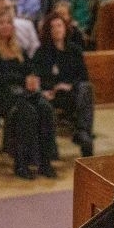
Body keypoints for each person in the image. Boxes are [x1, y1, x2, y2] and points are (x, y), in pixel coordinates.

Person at [0, 13, 57, 180]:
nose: (5, 26)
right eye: (1, 23)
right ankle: (21, 162)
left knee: (45, 108)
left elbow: (30, 68)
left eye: (8, 23)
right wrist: (22, 79)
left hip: (23, 93)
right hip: (1, 95)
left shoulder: (19, 49)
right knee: (27, 112)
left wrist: (32, 77)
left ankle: (45, 162)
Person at [29, 14, 95, 157]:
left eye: (59, 26)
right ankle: (80, 134)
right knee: (80, 96)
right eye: (52, 27)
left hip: (72, 93)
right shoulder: (42, 52)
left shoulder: (74, 50)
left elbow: (83, 76)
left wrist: (69, 86)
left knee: (86, 88)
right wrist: (54, 87)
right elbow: (37, 76)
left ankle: (82, 132)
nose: (56, 30)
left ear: (65, 28)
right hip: (53, 95)